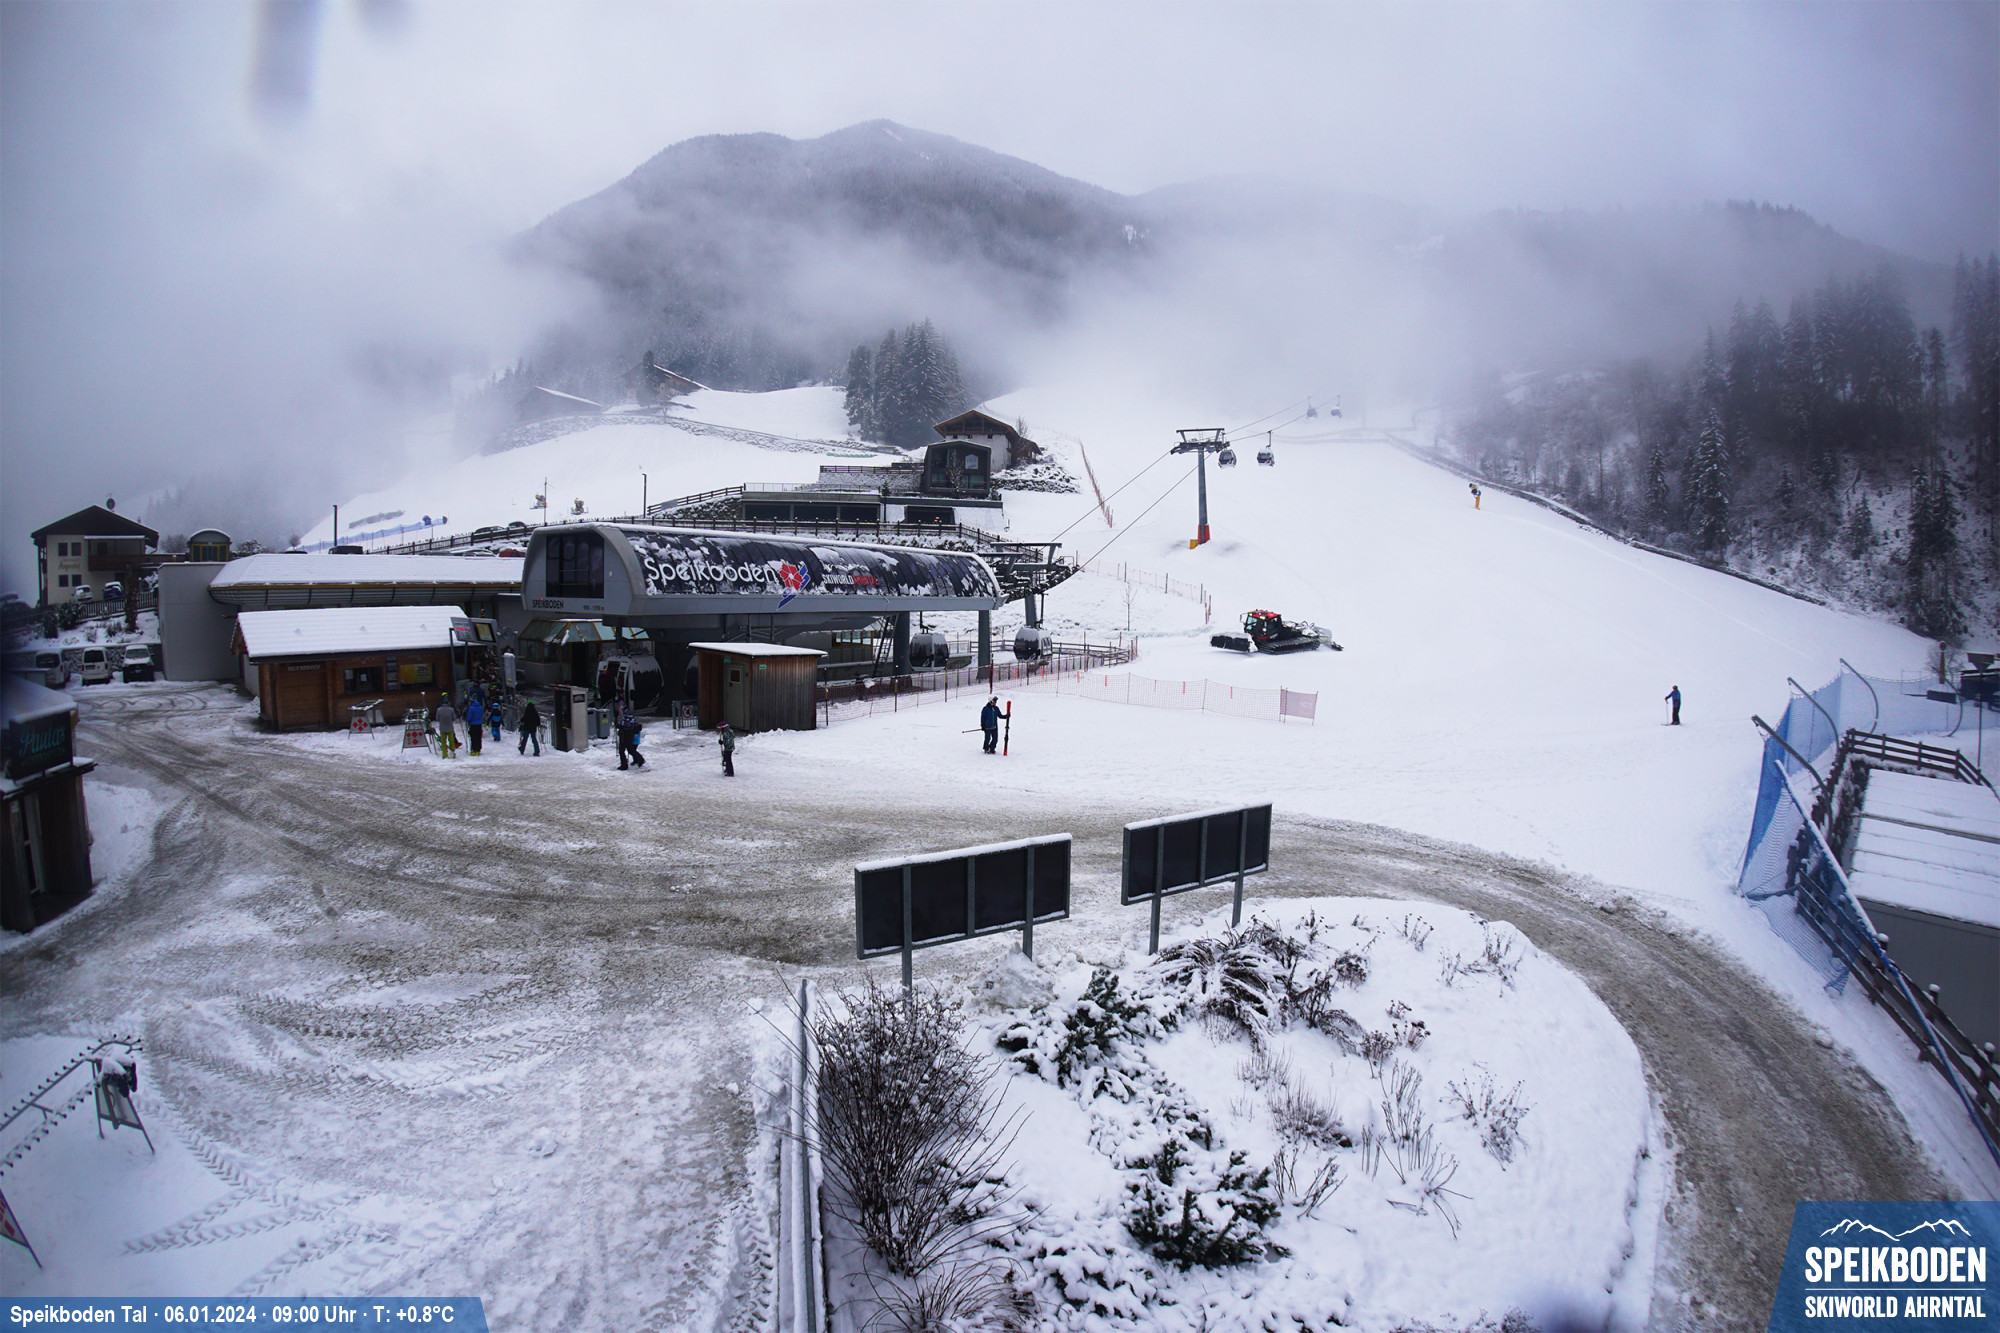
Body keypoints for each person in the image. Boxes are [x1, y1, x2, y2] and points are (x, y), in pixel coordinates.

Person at [617, 704, 646, 770]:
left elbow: (626, 725)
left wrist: (620, 726)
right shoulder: (630, 714)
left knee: (622, 750)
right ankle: (640, 759)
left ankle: (624, 765)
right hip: (630, 734)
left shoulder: (625, 715)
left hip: (625, 734)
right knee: (630, 749)